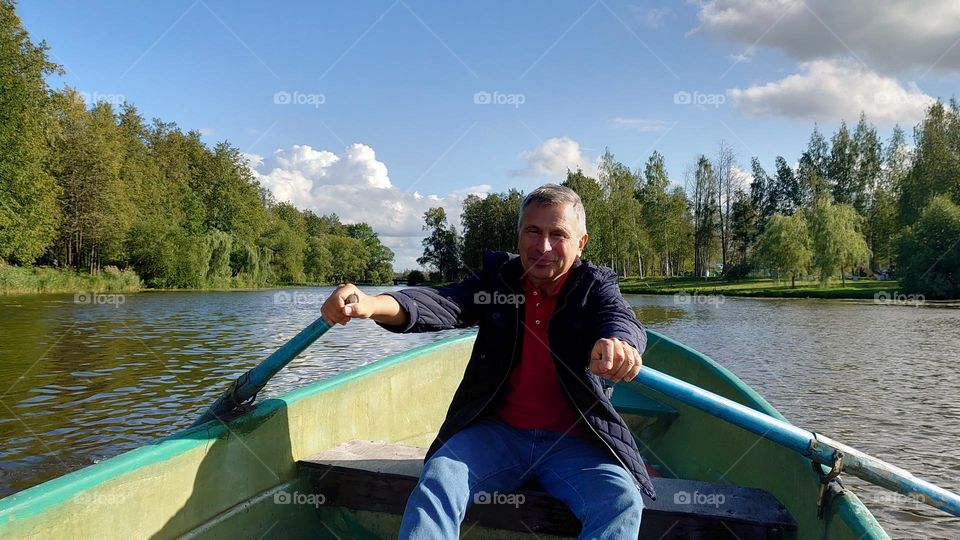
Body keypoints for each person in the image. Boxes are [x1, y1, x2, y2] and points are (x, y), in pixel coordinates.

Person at [320, 184, 653, 539]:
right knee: (439, 478)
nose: (543, 247)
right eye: (533, 232)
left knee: (621, 501)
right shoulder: (499, 281)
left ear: (581, 243)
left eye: (558, 235)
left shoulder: (594, 286)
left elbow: (621, 319)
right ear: (519, 234)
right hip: (498, 435)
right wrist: (372, 305)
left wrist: (620, 344)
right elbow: (441, 302)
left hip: (573, 441)